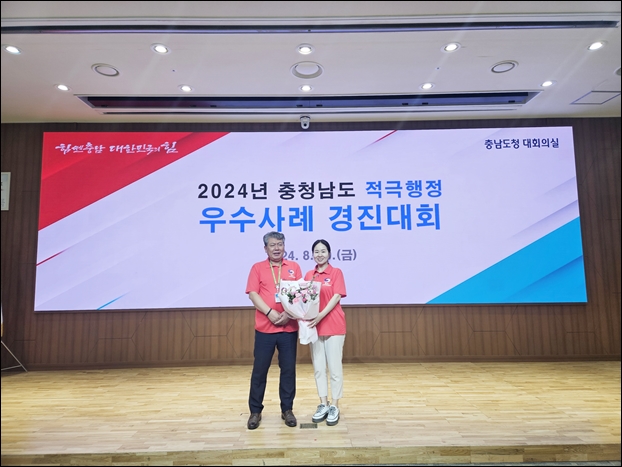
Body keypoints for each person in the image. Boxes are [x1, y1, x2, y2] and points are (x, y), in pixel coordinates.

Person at [245, 231, 302, 430]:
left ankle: (287, 409)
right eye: (272, 245)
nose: (277, 248)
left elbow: (299, 295)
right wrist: (269, 312)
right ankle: (255, 411)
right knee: (260, 371)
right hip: (264, 329)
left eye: (280, 244)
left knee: (288, 371)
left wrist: (288, 313)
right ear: (265, 248)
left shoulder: (294, 267)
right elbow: (253, 294)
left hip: (288, 328)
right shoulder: (257, 268)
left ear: (284, 246)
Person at [304, 239, 347, 426]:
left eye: (323, 251)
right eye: (316, 251)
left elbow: (336, 297)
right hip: (314, 327)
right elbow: (303, 300)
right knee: (319, 368)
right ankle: (323, 403)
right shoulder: (309, 275)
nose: (319, 254)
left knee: (335, 369)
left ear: (329, 253)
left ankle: (335, 405)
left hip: (334, 325)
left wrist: (321, 315)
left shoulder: (336, 273)